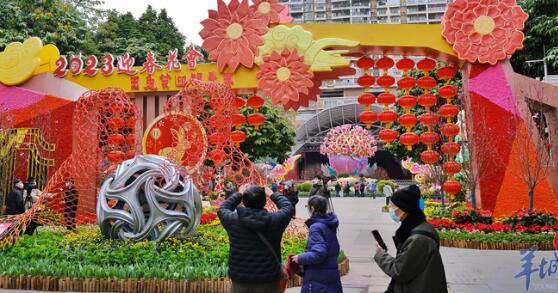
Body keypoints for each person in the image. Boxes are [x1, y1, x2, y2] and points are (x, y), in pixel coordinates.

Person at [218, 185, 295, 293]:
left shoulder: (233, 220)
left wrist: (239, 194)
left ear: (243, 202)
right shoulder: (275, 221)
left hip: (241, 280)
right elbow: (288, 207)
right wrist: (272, 194)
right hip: (269, 280)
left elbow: (222, 209)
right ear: (264, 202)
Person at [374, 185, 448, 293]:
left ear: (404, 209)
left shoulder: (419, 239)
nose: (391, 209)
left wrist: (380, 253)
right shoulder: (420, 228)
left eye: (393, 206)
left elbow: (399, 271)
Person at [293, 195, 342, 293]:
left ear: (312, 208)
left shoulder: (316, 227)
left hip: (318, 278)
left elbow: (319, 253)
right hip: (330, 275)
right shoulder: (328, 223)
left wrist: (299, 258)